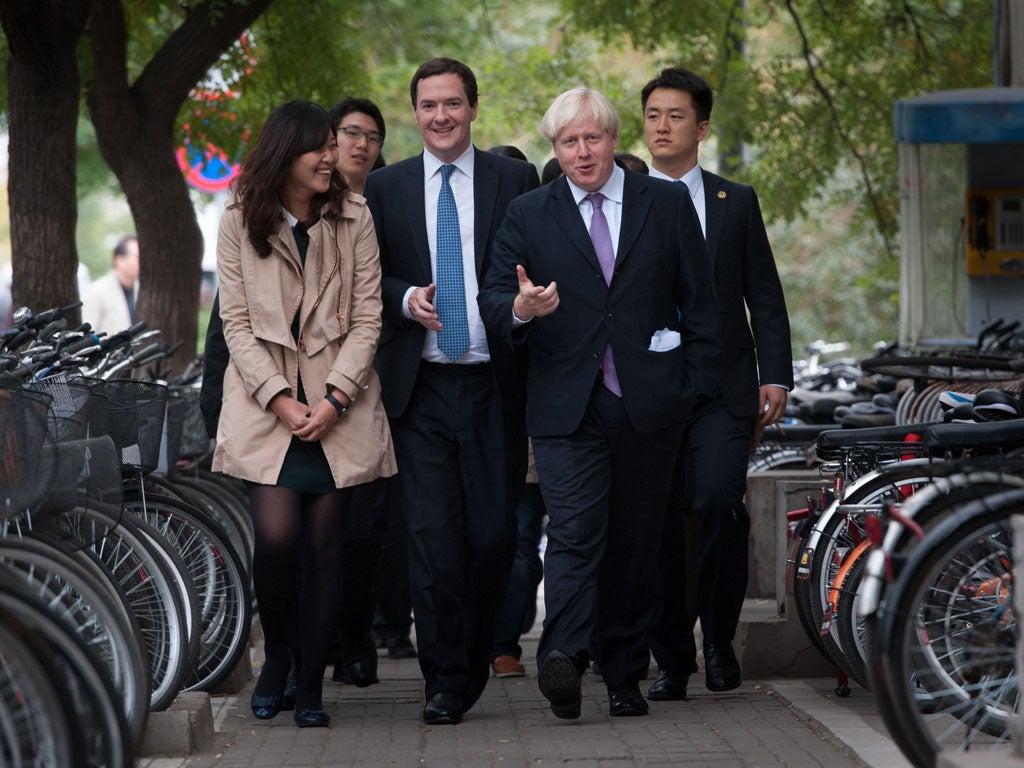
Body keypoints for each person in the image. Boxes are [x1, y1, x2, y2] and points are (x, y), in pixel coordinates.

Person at [478, 86, 720, 720]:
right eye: (568, 142)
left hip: (649, 402)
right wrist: (520, 310)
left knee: (635, 545)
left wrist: (688, 383)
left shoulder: (663, 203)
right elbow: (494, 299)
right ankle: (562, 659)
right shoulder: (530, 213)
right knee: (576, 535)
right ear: (554, 151)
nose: (581, 152)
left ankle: (622, 676)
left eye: (591, 138)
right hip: (565, 405)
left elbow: (700, 304)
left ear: (614, 139)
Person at [362, 57, 539, 726]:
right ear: (415, 113)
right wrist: (405, 298)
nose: (441, 115)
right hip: (422, 386)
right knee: (433, 539)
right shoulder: (386, 187)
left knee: (493, 538)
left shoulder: (513, 179)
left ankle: (471, 658)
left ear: (472, 108)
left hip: (495, 384)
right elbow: (361, 280)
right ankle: (443, 680)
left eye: (453, 103)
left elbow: (533, 263)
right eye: (429, 104)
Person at [212, 100, 396, 728]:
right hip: (269, 408)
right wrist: (280, 399)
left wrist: (335, 397)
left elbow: (370, 315)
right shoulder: (240, 215)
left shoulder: (354, 216)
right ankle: (280, 656)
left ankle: (312, 684)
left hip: (336, 406)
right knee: (278, 539)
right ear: (283, 153)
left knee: (326, 548)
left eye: (331, 145)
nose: (331, 155)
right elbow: (234, 321)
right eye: (318, 146)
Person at [640, 67, 793, 701]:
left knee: (719, 505)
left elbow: (764, 292)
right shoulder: (623, 197)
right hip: (649, 387)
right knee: (660, 523)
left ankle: (720, 640)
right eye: (652, 115)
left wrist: (777, 375)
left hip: (725, 387)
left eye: (675, 115)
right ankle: (672, 658)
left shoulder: (736, 201)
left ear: (701, 127)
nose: (662, 126)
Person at [82, 235, 139, 332]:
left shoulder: (141, 289)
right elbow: (87, 333)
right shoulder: (97, 291)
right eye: (137, 257)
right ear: (119, 260)